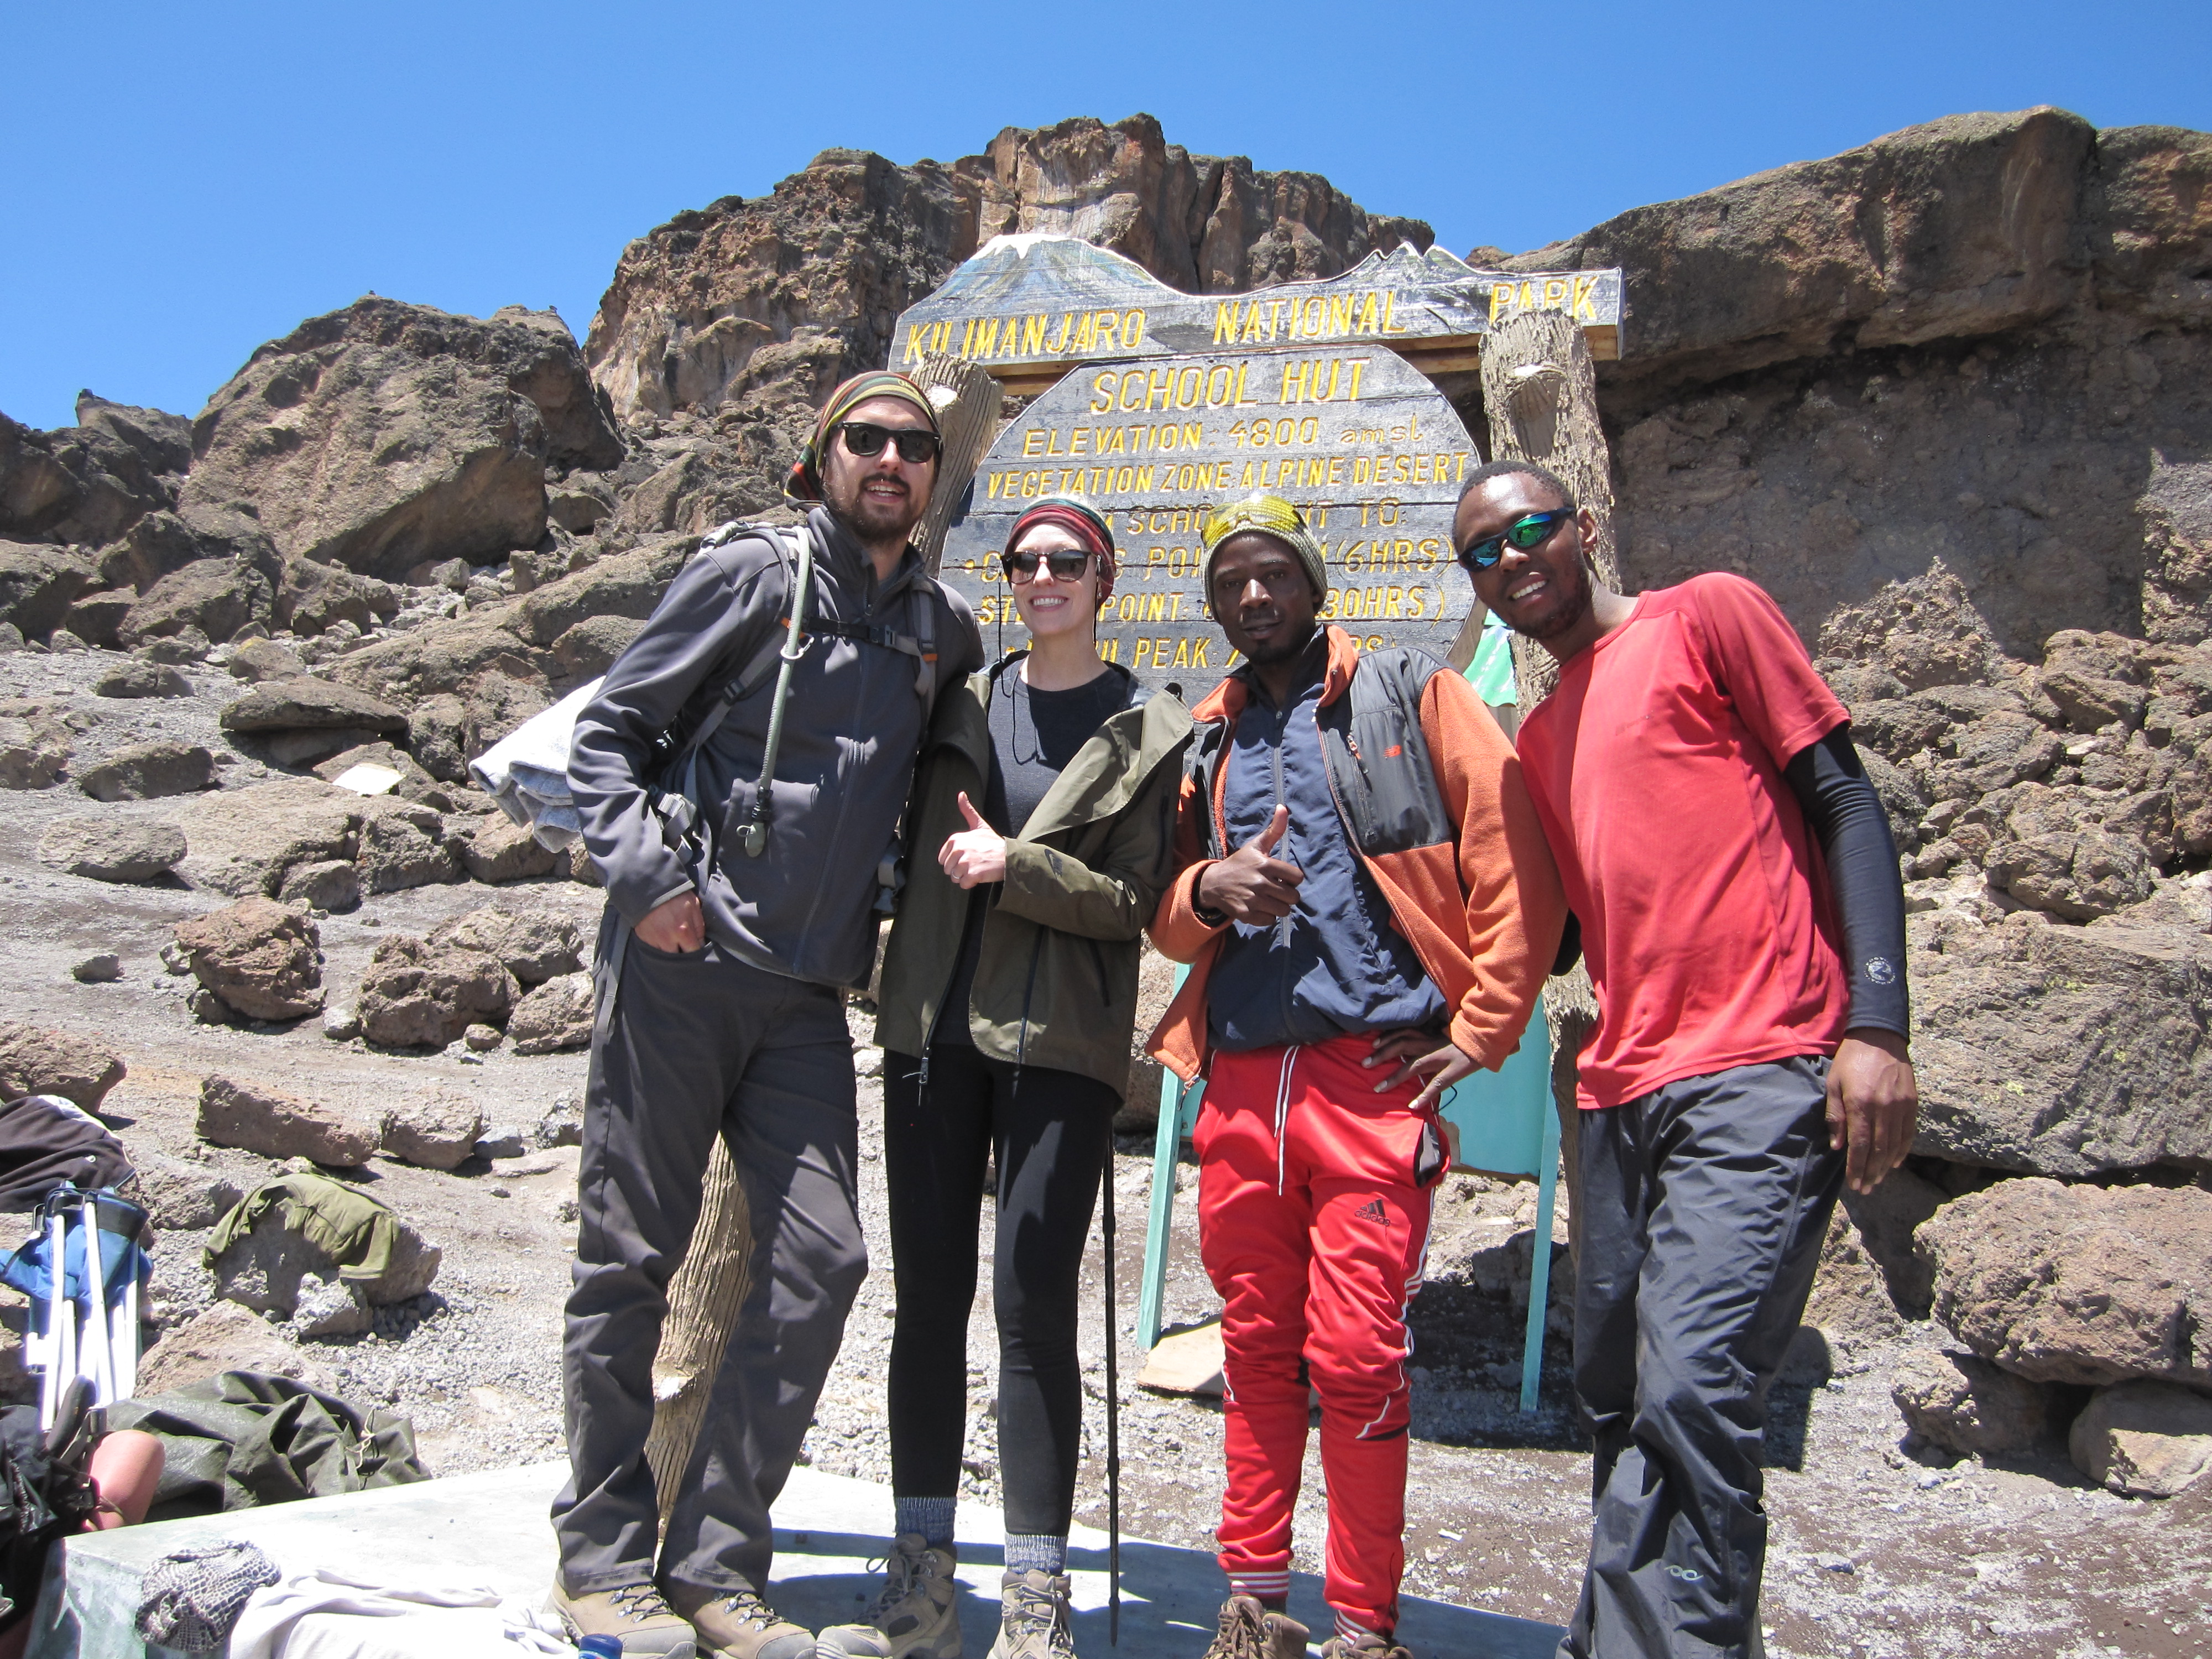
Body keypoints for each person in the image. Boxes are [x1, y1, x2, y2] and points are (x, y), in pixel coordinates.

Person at [1453, 460, 1918, 1659]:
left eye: (1530, 531)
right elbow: (1546, 939)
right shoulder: (1543, 731)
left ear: (1583, 528)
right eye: (1481, 555)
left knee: (1694, 1386)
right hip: (1617, 1092)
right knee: (1615, 1402)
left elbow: (1844, 805)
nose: (1509, 563)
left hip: (1759, 1063)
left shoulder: (1705, 614)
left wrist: (1877, 1025)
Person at [554, 372, 984, 1659]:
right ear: (824, 455)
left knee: (821, 1259)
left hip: (807, 996)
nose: (891, 460)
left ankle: (715, 1561)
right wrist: (650, 886)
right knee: (629, 1259)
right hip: (682, 970)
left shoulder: (935, 627)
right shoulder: (752, 575)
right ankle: (600, 1553)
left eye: (914, 446)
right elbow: (607, 739)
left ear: (932, 476)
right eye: (868, 439)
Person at [1147, 494, 1567, 1659]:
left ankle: (1364, 1627)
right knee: (1252, 1344)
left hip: (1368, 1080)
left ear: (1313, 586)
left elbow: (1512, 858)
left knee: (1354, 1353)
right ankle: (1252, 1602)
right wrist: (1204, 892)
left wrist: (1481, 1031)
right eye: (1229, 580)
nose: (1251, 596)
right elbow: (1168, 923)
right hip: (1241, 1086)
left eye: (1273, 573)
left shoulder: (1410, 695)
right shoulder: (1208, 739)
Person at [818, 497, 1191, 1659]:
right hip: (931, 1029)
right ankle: (918, 1565)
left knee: (1033, 1313)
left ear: (1104, 576)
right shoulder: (962, 701)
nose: (1041, 578)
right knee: (927, 1303)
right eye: (1024, 561)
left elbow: (1132, 904)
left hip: (1061, 1049)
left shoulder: (1149, 728)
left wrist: (1012, 864)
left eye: (1065, 561)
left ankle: (1037, 1593)